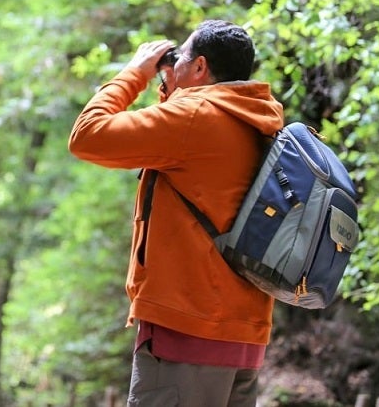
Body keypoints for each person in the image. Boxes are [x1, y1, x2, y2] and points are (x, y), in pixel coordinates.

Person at [68, 20, 284, 407]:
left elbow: (87, 135)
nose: (174, 63)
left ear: (200, 67)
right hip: (243, 334)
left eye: (181, 57)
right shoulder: (255, 119)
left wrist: (135, 73)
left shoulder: (194, 118)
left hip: (188, 330)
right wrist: (171, 90)